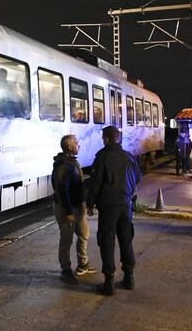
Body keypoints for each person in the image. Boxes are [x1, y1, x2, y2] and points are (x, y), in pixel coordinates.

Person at [87, 125, 142, 295]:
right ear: (118, 138)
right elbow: (138, 177)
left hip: (108, 206)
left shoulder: (102, 157)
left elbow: (95, 184)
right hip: (126, 205)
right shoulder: (129, 157)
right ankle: (129, 278)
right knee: (126, 240)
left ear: (106, 138)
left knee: (107, 241)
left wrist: (90, 203)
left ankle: (109, 282)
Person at [51, 134, 96, 285]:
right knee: (66, 239)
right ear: (70, 147)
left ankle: (82, 265)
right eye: (77, 143)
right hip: (67, 209)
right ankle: (66, 271)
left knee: (84, 233)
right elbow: (62, 190)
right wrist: (69, 212)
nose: (79, 145)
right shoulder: (64, 165)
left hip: (78, 206)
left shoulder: (71, 162)